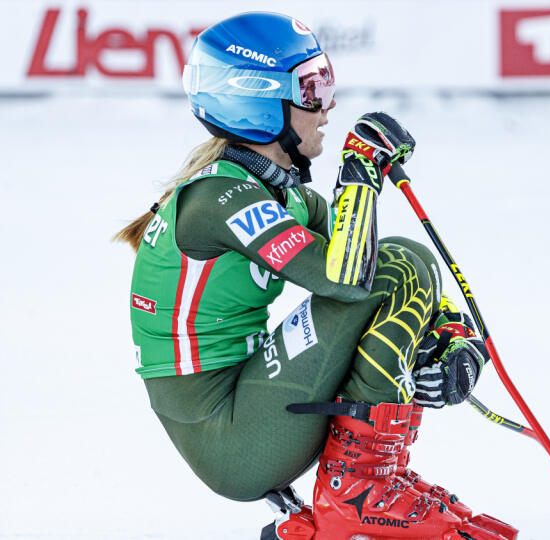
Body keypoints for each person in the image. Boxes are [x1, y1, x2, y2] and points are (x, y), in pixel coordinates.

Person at [114, 12, 516, 540]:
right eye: (311, 88)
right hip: (229, 439)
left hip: (251, 401)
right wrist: (359, 172)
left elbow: (374, 263)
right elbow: (347, 282)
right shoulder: (216, 199)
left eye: (326, 82)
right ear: (257, 102)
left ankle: (372, 478)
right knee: (386, 269)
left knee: (403, 254)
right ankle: (357, 489)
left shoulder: (281, 194)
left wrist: (449, 341)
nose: (327, 106)